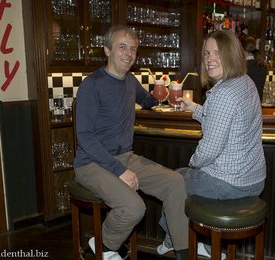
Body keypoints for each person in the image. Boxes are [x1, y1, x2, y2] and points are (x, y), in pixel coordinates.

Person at [74, 25, 189, 260]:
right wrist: (119, 170)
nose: (128, 54)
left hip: (125, 157)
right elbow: (84, 137)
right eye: (122, 47)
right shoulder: (92, 85)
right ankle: (103, 245)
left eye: (133, 49)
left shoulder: (130, 80)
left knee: (176, 183)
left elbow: (145, 99)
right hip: (91, 163)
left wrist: (160, 97)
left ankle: (183, 252)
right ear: (107, 50)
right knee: (134, 207)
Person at [157, 29, 266, 258]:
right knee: (182, 179)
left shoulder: (223, 93)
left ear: (232, 54)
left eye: (216, 52)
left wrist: (193, 163)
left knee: (173, 181)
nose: (209, 59)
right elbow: (223, 119)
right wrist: (195, 108)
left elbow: (209, 150)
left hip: (228, 183)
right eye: (206, 53)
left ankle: (173, 240)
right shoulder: (245, 83)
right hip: (254, 180)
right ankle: (205, 245)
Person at [241, 35, 268, 101]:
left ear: (241, 50)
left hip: (246, 108)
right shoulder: (262, 66)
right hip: (257, 106)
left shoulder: (241, 68)